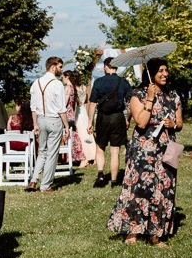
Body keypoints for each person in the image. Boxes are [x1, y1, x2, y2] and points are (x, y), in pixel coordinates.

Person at [107, 58, 183, 247]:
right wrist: (150, 98)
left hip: (165, 150)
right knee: (139, 189)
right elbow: (141, 122)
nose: (164, 74)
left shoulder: (173, 95)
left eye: (166, 70)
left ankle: (155, 234)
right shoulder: (138, 95)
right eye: (160, 71)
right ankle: (133, 231)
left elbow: (180, 123)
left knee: (162, 190)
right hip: (143, 151)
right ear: (151, 73)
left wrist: (174, 125)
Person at [25, 57, 71, 193]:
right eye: (60, 67)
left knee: (42, 152)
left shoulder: (36, 83)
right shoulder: (57, 84)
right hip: (54, 120)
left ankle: (33, 181)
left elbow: (33, 107)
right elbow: (61, 108)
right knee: (52, 153)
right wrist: (66, 126)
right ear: (53, 67)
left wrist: (35, 124)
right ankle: (45, 185)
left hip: (40, 119)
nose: (61, 70)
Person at [87, 57, 132, 188]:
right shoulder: (124, 82)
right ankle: (113, 180)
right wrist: (127, 119)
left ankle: (100, 175)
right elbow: (130, 105)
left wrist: (90, 121)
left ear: (106, 67)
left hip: (103, 117)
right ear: (116, 67)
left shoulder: (99, 82)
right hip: (118, 117)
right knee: (115, 150)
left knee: (100, 147)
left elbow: (93, 103)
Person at [62, 70, 87, 167]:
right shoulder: (73, 88)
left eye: (63, 77)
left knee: (70, 137)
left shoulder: (68, 88)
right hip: (71, 113)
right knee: (73, 136)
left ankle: (80, 157)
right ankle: (73, 157)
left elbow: (64, 103)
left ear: (67, 77)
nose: (63, 80)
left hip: (67, 114)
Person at [73, 70, 96, 164]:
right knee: (88, 133)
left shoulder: (74, 89)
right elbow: (86, 100)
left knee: (81, 134)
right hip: (84, 112)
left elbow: (75, 103)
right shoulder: (84, 87)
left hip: (78, 111)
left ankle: (85, 157)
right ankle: (94, 156)